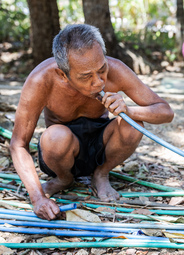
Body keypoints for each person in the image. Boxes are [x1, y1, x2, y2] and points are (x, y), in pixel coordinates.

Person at [9, 24, 174, 220]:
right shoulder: (41, 80)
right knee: (55, 137)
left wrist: (129, 110)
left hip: (101, 146)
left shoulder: (115, 69)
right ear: (63, 74)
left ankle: (101, 174)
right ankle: (64, 179)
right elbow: (18, 144)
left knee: (133, 123)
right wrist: (37, 198)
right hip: (61, 153)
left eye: (102, 69)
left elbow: (166, 112)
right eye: (86, 76)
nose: (98, 82)